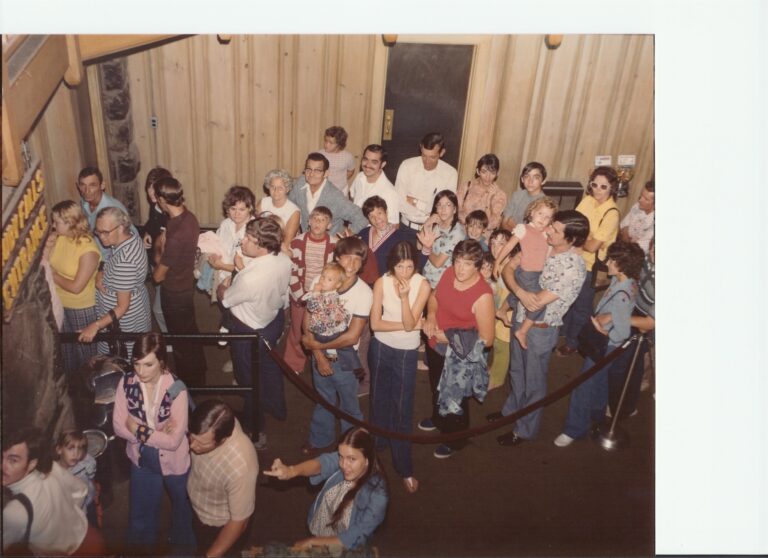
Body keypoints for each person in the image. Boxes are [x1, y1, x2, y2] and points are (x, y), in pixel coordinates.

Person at [491, 210, 589, 446]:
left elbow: (538, 300)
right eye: (551, 225)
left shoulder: (573, 266)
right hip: (520, 318)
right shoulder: (542, 242)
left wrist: (521, 291)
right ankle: (511, 410)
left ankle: (524, 430)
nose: (548, 231)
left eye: (555, 230)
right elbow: (508, 268)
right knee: (517, 372)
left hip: (540, 329)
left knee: (534, 381)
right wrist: (520, 291)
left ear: (572, 239)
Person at [553, 240, 644, 447]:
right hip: (609, 348)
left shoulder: (622, 295)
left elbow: (621, 332)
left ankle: (573, 429)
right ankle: (596, 416)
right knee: (600, 384)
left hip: (607, 347)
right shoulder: (625, 282)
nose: (608, 262)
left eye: (613, 260)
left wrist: (603, 329)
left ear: (623, 266)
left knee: (583, 386)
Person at [111, 332, 196, 553]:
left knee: (182, 511)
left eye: (148, 365)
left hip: (175, 462)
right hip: (142, 459)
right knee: (140, 515)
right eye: (137, 364)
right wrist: (156, 432)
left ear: (162, 362)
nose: (141, 371)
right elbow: (118, 427)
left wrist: (138, 429)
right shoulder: (126, 381)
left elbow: (174, 441)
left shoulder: (177, 389)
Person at [217, 216, 292, 448]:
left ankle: (255, 427)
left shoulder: (249, 278)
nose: (243, 241)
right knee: (270, 368)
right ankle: (277, 408)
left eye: (248, 239)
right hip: (272, 321)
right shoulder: (284, 260)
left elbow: (227, 299)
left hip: (249, 332)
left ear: (260, 245)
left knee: (248, 380)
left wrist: (224, 284)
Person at [419, 240, 495, 459]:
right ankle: (438, 418)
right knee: (436, 386)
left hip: (458, 355)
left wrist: (450, 338)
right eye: (458, 261)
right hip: (435, 345)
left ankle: (456, 439)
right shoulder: (449, 273)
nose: (460, 268)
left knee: (455, 398)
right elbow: (434, 297)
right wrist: (432, 315)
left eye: (468, 264)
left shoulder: (483, 295)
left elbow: (487, 339)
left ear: (478, 266)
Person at [300, 237, 372, 455]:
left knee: (350, 407)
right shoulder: (322, 281)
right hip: (320, 356)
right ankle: (320, 441)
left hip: (345, 361)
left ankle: (352, 447)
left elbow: (351, 337)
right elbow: (308, 322)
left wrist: (315, 345)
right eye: (346, 258)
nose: (351, 264)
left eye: (357, 259)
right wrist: (319, 356)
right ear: (337, 258)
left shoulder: (364, 293)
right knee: (324, 401)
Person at [264, 427, 388, 552]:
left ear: (367, 460)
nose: (343, 465)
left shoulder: (379, 496)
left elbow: (353, 538)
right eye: (341, 456)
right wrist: (291, 471)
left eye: (351, 459)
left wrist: (312, 542)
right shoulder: (348, 458)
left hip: (345, 549)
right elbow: (322, 463)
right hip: (323, 528)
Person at [369, 241, 430, 491]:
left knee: (402, 408)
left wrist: (405, 300)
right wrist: (410, 325)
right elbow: (375, 325)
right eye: (399, 266)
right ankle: (375, 449)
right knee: (378, 401)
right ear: (391, 265)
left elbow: (407, 322)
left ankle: (404, 467)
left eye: (409, 266)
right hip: (380, 348)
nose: (405, 272)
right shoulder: (381, 282)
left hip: (406, 352)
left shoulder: (422, 285)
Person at [3, 427, 105, 556]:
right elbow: (80, 489)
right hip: (91, 537)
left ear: (32, 464)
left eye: (13, 460)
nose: (3, 466)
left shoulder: (13, 512)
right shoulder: (52, 467)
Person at [556, 166, 621, 357]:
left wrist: (580, 237)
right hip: (575, 258)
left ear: (612, 188)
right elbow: (573, 225)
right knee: (569, 299)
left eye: (604, 186)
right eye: (595, 185)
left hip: (591, 267)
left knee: (582, 306)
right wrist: (586, 236)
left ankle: (573, 343)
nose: (598, 190)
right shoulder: (587, 200)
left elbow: (593, 247)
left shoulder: (612, 214)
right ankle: (565, 332)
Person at [153, 176, 207, 386]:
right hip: (185, 286)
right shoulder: (188, 217)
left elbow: (158, 276)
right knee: (190, 334)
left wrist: (158, 250)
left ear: (161, 200)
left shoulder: (175, 235)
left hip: (174, 294)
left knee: (181, 342)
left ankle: (190, 384)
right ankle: (199, 372)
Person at [187, 400, 259, 558]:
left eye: (201, 443)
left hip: (219, 525)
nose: (192, 446)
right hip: (200, 510)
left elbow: (239, 522)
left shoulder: (241, 466)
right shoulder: (215, 423)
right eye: (192, 437)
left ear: (223, 439)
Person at [78, 206, 151, 358]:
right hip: (135, 308)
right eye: (98, 232)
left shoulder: (125, 262)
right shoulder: (131, 238)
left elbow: (122, 307)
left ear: (121, 227)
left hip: (123, 322)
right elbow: (110, 259)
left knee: (123, 358)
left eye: (105, 232)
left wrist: (95, 326)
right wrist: (101, 271)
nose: (101, 237)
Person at [494, 196, 559, 350]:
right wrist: (497, 262)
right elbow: (509, 246)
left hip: (538, 274)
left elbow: (549, 251)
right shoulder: (523, 229)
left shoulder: (546, 233)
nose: (543, 219)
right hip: (527, 272)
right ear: (531, 213)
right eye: (540, 214)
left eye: (547, 217)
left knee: (518, 294)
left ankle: (502, 311)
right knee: (539, 303)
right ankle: (522, 331)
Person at [44, 200, 101, 376]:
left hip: (81, 307)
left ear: (69, 223)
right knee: (66, 351)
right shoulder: (61, 237)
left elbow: (77, 287)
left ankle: (92, 391)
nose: (52, 225)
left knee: (86, 355)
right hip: (60, 303)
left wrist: (53, 275)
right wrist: (47, 245)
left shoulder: (88, 249)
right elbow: (45, 260)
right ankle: (74, 391)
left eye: (56, 222)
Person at [607, 236, 655, 419]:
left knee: (622, 366)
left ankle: (620, 408)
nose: (653, 254)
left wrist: (615, 316)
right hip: (634, 308)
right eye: (653, 247)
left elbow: (650, 323)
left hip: (645, 320)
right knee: (633, 367)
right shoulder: (649, 260)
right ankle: (626, 405)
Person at [302, 262, 363, 376]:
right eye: (323, 277)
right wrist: (314, 293)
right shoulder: (322, 294)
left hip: (330, 331)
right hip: (322, 332)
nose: (323, 281)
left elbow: (313, 307)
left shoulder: (331, 296)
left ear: (337, 285)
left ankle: (356, 367)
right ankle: (354, 366)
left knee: (345, 347)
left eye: (329, 279)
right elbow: (309, 306)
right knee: (343, 348)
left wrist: (315, 293)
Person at [289, 152, 369, 237]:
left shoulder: (335, 196)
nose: (311, 174)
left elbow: (362, 218)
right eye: (309, 169)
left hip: (330, 245)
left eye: (317, 170)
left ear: (326, 173)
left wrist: (344, 237)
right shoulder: (300, 183)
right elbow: (290, 206)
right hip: (307, 241)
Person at [395, 132, 458, 231]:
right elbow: (399, 202)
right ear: (420, 148)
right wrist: (429, 209)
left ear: (441, 153)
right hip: (405, 227)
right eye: (424, 155)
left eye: (432, 157)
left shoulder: (450, 173)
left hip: (433, 230)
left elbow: (445, 208)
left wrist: (415, 202)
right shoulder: (407, 165)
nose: (427, 161)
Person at [141, 166, 173, 332]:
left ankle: (170, 338)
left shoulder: (171, 213)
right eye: (149, 189)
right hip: (155, 258)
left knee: (159, 308)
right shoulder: (155, 206)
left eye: (155, 190)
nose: (151, 194)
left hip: (166, 264)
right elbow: (152, 223)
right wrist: (147, 232)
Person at [76, 166, 131, 260]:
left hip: (108, 259)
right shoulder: (84, 201)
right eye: (83, 185)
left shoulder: (113, 209)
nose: (87, 191)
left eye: (92, 185)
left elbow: (128, 241)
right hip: (89, 251)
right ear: (78, 186)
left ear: (102, 185)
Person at [417, 189, 466, 289]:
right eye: (439, 205)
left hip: (441, 284)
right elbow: (418, 245)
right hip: (425, 278)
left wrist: (427, 248)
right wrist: (428, 222)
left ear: (455, 209)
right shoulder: (437, 223)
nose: (443, 209)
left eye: (448, 205)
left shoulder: (457, 233)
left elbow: (438, 263)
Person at [208, 185, 257, 281]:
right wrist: (214, 255)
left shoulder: (255, 230)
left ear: (250, 208)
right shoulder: (226, 224)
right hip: (220, 275)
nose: (236, 214)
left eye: (242, 209)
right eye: (233, 209)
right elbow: (215, 245)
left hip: (241, 279)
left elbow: (249, 269)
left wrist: (222, 266)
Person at [487, 229, 514, 390]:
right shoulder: (497, 262)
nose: (496, 248)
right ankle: (495, 368)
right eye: (493, 244)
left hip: (508, 311)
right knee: (496, 341)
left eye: (502, 244)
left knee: (503, 344)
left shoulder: (510, 265)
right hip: (497, 308)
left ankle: (497, 379)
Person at [456, 153, 506, 238]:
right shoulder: (467, 187)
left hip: (483, 237)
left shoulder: (499, 194)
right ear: (478, 171)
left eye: (492, 172)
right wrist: (470, 227)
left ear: (497, 173)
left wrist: (490, 198)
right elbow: (456, 209)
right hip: (461, 232)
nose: (488, 177)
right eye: (484, 172)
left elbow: (494, 221)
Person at [54, 430, 98, 525]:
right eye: (71, 448)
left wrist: (94, 492)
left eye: (80, 448)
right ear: (59, 450)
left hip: (88, 502)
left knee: (93, 526)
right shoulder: (54, 472)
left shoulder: (86, 463)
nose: (76, 454)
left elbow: (91, 479)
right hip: (70, 510)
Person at [349, 144, 400, 225]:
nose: (368, 165)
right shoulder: (360, 176)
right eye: (365, 159)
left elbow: (394, 225)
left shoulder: (390, 192)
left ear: (382, 164)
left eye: (374, 162)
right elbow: (352, 197)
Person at [257, 169, 301, 253]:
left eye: (280, 188)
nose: (276, 191)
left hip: (281, 250)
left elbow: (287, 243)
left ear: (287, 189)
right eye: (273, 187)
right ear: (268, 187)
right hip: (260, 245)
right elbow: (254, 229)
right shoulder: (262, 202)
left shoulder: (294, 211)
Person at [501, 161, 548, 230]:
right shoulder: (516, 195)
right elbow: (504, 222)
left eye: (536, 177)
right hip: (508, 236)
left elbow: (534, 234)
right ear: (522, 179)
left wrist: (515, 226)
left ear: (543, 181)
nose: (530, 181)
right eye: (527, 176)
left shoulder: (545, 203)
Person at [319, 125, 357, 196]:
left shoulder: (348, 156)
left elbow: (351, 170)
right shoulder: (320, 154)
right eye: (326, 141)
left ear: (339, 144)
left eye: (330, 143)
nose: (326, 144)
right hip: (324, 188)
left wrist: (341, 179)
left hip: (341, 189)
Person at [619, 179, 655, 254]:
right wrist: (626, 235)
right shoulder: (637, 207)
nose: (640, 200)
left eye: (646, 199)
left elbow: (638, 249)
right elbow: (621, 228)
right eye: (641, 196)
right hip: (622, 248)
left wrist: (626, 234)